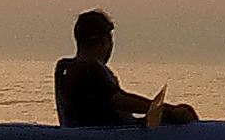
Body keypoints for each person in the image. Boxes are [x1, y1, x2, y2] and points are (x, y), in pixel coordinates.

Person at [54, 10, 196, 127]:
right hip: (110, 134)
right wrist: (165, 110)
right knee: (185, 112)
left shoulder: (63, 67)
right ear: (105, 41)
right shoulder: (90, 68)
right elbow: (119, 101)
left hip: (88, 130)